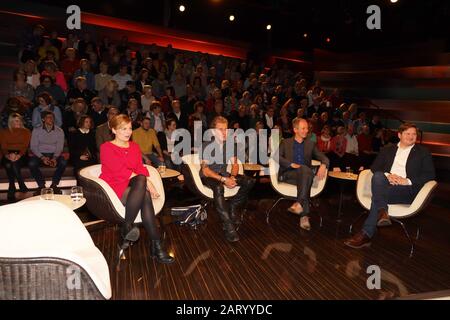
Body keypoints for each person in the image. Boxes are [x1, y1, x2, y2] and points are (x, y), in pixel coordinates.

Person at [344, 123, 436, 249]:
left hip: (406, 190)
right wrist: (388, 175)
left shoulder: (423, 152)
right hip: (385, 185)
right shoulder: (387, 150)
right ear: (399, 135)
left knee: (377, 196)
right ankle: (382, 212)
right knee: (378, 176)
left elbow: (430, 175)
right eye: (407, 133)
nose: (411, 136)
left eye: (414, 134)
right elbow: (375, 168)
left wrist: (407, 181)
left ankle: (367, 231)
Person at [99, 114, 174, 264]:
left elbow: (140, 167)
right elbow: (117, 170)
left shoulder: (134, 146)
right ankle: (155, 246)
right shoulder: (106, 147)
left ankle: (133, 231)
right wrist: (145, 181)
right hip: (115, 187)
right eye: (123, 129)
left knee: (144, 193)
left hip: (134, 187)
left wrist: (146, 181)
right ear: (113, 130)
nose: (128, 132)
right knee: (141, 182)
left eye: (130, 128)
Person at [200, 116, 255, 242]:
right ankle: (228, 226)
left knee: (249, 181)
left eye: (226, 129)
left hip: (224, 174)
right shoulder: (206, 145)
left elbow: (235, 164)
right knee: (219, 187)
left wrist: (233, 177)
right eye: (221, 130)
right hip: (209, 176)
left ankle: (232, 207)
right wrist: (224, 180)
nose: (224, 133)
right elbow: (205, 170)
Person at [275, 118, 329, 230]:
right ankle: (304, 215)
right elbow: (276, 157)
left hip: (304, 176)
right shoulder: (285, 142)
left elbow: (324, 158)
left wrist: (324, 165)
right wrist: (290, 164)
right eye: (303, 128)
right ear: (295, 130)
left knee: (305, 174)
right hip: (289, 174)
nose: (306, 131)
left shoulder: (311, 144)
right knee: (306, 172)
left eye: (307, 128)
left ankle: (299, 204)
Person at [29, 111, 67, 192]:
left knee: (63, 162)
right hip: (40, 153)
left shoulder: (59, 131)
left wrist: (55, 158)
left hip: (54, 153)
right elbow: (33, 146)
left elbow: (60, 147)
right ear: (43, 119)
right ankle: (41, 185)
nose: (51, 119)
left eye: (52, 117)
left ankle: (54, 184)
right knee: (32, 163)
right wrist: (42, 157)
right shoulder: (36, 130)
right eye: (48, 117)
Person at [0, 113, 31, 201]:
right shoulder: (4, 132)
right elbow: (3, 147)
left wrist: (18, 155)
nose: (16, 123)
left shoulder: (26, 132)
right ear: (10, 122)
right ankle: (18, 184)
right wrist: (7, 155)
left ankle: (12, 187)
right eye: (13, 121)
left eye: (18, 120)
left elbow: (25, 146)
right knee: (10, 164)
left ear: (21, 121)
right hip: (7, 153)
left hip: (22, 153)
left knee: (12, 164)